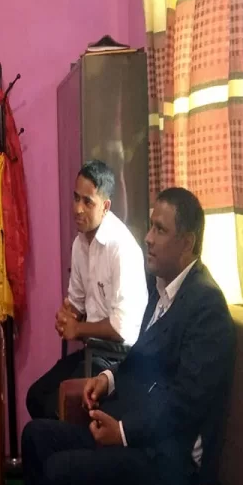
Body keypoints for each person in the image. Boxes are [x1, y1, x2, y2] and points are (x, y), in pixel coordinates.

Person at [21, 187, 236, 485]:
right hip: (137, 433)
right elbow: (142, 356)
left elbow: (185, 403)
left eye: (160, 230)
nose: (148, 238)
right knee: (35, 437)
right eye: (151, 226)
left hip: (167, 458)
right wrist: (108, 378)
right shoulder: (160, 288)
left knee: (59, 469)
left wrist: (123, 431)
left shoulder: (206, 306)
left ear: (187, 242)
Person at [25, 159, 147, 420]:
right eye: (75, 198)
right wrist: (66, 316)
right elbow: (76, 304)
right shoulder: (80, 244)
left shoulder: (121, 248)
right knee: (35, 397)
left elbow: (121, 329)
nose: (77, 209)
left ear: (105, 206)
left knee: (54, 407)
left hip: (119, 359)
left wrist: (77, 329)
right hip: (92, 350)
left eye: (87, 202)